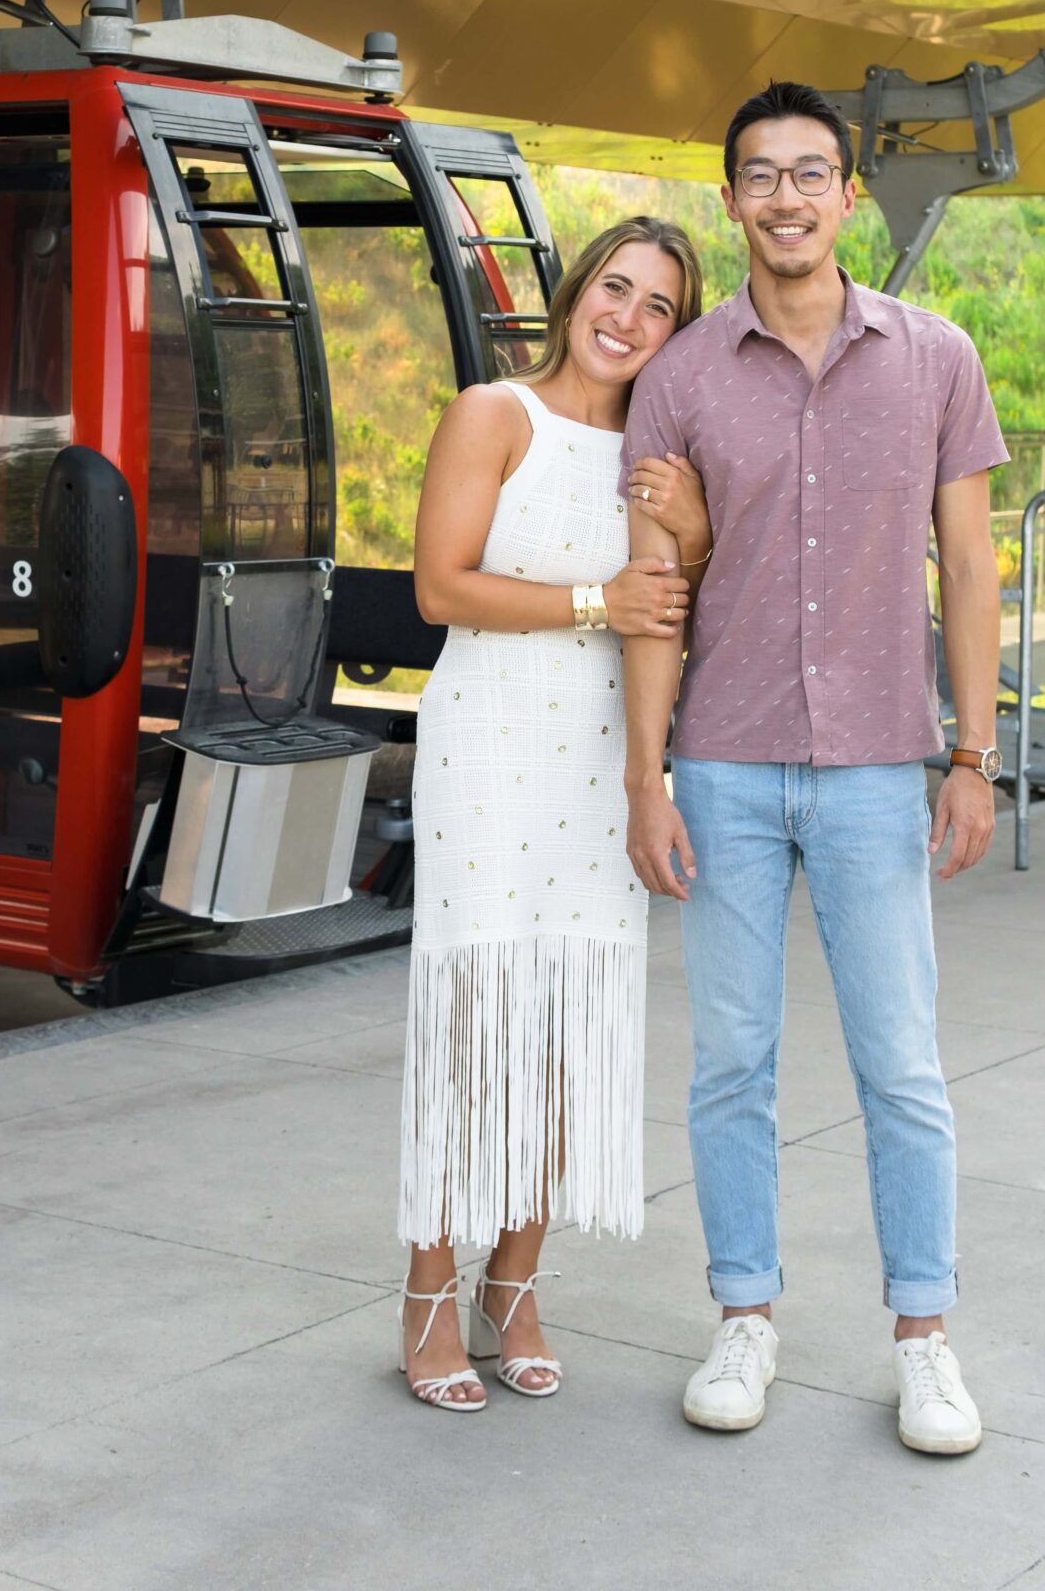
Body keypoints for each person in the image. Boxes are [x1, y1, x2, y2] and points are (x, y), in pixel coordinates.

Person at [622, 80, 1006, 1457]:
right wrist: (642, 780)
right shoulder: (675, 379)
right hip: (720, 765)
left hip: (869, 769)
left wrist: (970, 751)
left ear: (845, 196)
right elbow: (656, 586)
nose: (783, 197)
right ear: (727, 200)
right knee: (729, 1063)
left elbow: (966, 567)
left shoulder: (933, 358)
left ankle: (923, 1339)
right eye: (757, 175)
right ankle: (743, 1319)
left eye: (808, 174)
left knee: (898, 1066)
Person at [397, 218, 707, 1411]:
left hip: (603, 762)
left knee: (570, 1024)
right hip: (488, 746)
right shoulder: (496, 413)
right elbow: (441, 586)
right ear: (576, 292)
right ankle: (429, 1291)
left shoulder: (655, 452)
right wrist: (600, 598)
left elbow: (677, 601)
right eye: (614, 289)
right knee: (477, 1019)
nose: (626, 318)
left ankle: (514, 1284)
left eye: (658, 306)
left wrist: (693, 524)